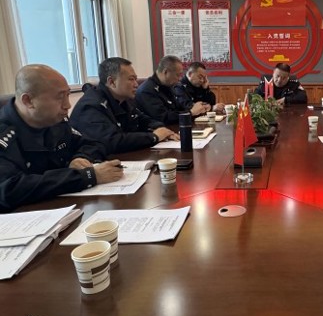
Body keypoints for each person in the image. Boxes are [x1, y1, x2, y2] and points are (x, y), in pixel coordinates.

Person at [0, 65, 124, 212]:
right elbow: (9, 189)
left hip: (61, 208)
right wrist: (87, 176)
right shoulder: (4, 134)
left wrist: (81, 157)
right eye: (60, 97)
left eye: (68, 95)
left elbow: (93, 143)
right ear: (28, 101)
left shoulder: (54, 122)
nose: (68, 105)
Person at [70, 57, 179, 155]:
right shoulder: (91, 106)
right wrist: (154, 137)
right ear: (112, 82)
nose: (136, 84)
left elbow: (142, 119)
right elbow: (112, 141)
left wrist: (161, 129)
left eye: (135, 79)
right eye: (131, 79)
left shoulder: (122, 100)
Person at [136, 55, 210, 125]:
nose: (179, 79)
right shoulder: (147, 90)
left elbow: (178, 109)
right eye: (178, 75)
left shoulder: (168, 86)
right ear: (165, 72)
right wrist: (191, 112)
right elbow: (163, 118)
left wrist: (197, 108)